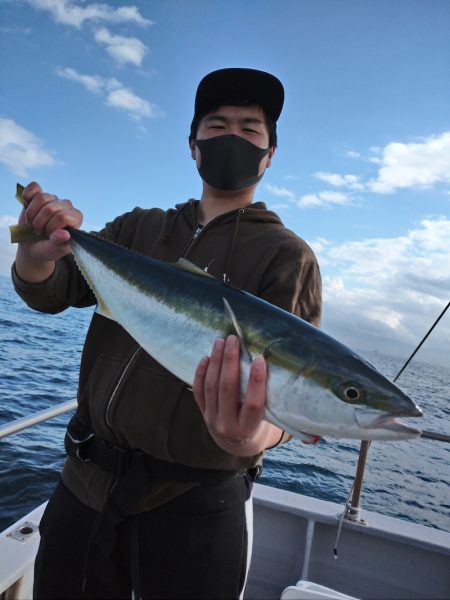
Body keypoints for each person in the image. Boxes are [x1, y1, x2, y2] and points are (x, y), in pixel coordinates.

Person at [12, 68, 322, 599]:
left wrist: (250, 437)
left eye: (250, 130)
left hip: (195, 509)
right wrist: (34, 252)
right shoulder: (139, 229)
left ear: (271, 154)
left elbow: (292, 389)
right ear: (193, 146)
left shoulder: (287, 257)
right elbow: (53, 290)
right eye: (217, 125)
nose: (232, 137)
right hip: (84, 487)